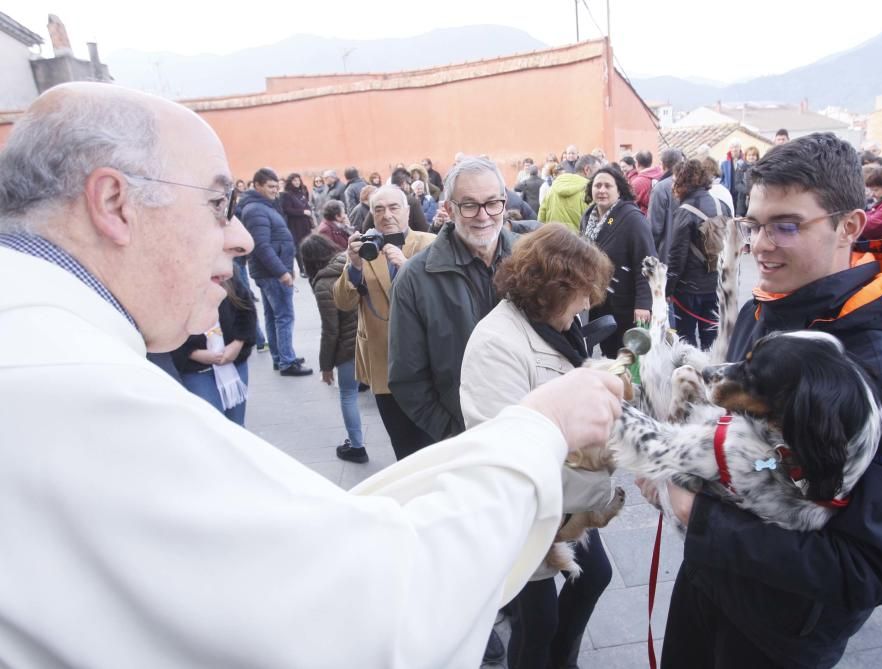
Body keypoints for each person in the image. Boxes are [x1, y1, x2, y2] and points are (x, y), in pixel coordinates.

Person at [0, 82, 630, 667]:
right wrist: (538, 428)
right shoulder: (77, 390)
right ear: (114, 203)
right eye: (219, 204)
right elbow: (372, 612)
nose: (242, 237)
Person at [647, 132, 882, 669]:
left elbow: (867, 569)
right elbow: (744, 435)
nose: (760, 245)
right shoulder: (769, 308)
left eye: (787, 225)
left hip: (777, 635)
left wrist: (698, 514)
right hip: (707, 583)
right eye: (754, 223)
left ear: (849, 227)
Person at [461, 224, 617, 669]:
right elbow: (516, 452)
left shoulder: (550, 323)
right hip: (529, 512)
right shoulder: (497, 344)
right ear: (553, 288)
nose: (588, 303)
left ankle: (562, 662)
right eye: (583, 292)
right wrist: (602, 488)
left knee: (595, 577)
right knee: (537, 622)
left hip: (567, 499)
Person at [388, 157, 519, 445]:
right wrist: (456, 434)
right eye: (469, 205)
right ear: (448, 208)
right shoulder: (415, 279)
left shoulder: (532, 258)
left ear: (504, 201)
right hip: (464, 440)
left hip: (531, 431)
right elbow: (407, 378)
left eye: (492, 203)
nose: (484, 216)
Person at [333, 185, 436, 461]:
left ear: (406, 210)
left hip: (427, 365)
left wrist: (407, 267)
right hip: (384, 363)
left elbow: (441, 299)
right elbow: (342, 302)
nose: (386, 215)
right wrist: (353, 266)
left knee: (433, 446)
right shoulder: (365, 248)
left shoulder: (429, 244)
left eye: (393, 208)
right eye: (379, 209)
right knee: (403, 446)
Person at [301, 234, 368, 463]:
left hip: (349, 347)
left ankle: (357, 447)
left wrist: (326, 366)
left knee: (348, 394)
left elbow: (331, 331)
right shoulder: (351, 262)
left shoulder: (323, 283)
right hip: (373, 339)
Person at [241, 168, 313, 376]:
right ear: (258, 186)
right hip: (272, 272)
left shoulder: (262, 206)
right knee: (284, 316)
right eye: (271, 187)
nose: (275, 191)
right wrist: (283, 272)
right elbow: (262, 246)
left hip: (269, 271)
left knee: (273, 316)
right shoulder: (256, 209)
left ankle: (280, 356)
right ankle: (287, 361)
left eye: (276, 186)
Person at [579, 165, 656, 356]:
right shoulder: (589, 216)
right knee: (607, 350)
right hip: (599, 301)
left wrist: (644, 303)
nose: (602, 190)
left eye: (608, 186)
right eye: (597, 186)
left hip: (626, 304)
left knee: (625, 356)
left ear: (619, 189)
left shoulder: (631, 218)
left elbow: (646, 262)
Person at [170, 274, 256, 425]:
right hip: (196, 370)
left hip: (234, 362)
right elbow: (163, 329)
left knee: (237, 426)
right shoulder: (173, 280)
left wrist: (238, 342)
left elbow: (246, 310)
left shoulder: (225, 272)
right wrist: (192, 353)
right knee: (214, 426)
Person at [666, 158, 733, 350]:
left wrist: (667, 290)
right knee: (712, 340)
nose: (672, 184)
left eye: (674, 180)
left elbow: (677, 256)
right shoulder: (723, 205)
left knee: (686, 341)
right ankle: (711, 375)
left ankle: (692, 377)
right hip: (717, 284)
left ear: (682, 181)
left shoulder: (685, 211)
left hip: (689, 289)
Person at [538, 155, 599, 232]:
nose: (599, 175)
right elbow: (602, 222)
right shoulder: (590, 193)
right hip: (578, 242)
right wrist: (612, 221)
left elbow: (541, 219)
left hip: (552, 239)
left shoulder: (552, 189)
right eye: (598, 171)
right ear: (587, 170)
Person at [648, 148, 685, 261]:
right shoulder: (690, 182)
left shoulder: (661, 188)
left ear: (663, 165)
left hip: (667, 252)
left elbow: (654, 227)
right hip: (687, 252)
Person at [279, 173, 314, 276]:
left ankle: (310, 267)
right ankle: (302, 269)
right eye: (294, 181)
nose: (297, 182)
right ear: (290, 182)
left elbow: (307, 205)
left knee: (308, 245)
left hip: (305, 223)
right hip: (295, 224)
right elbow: (287, 209)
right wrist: (302, 212)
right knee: (299, 247)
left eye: (298, 180)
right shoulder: (286, 194)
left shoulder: (302, 192)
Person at [630, 150, 663, 215]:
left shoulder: (637, 183)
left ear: (637, 163)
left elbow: (630, 204)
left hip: (645, 219)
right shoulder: (662, 175)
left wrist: (610, 222)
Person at [733, 145, 759, 216]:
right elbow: (737, 184)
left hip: (757, 198)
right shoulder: (741, 168)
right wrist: (748, 191)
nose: (751, 157)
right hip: (743, 198)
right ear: (746, 156)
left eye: (753, 155)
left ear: (757, 156)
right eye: (749, 155)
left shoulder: (760, 168)